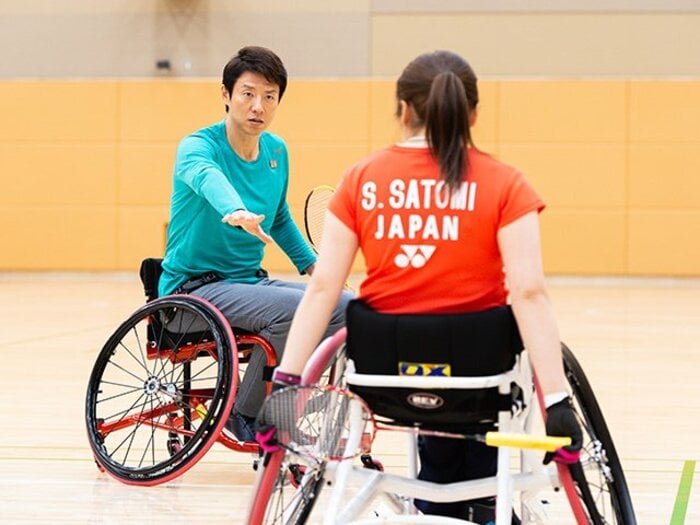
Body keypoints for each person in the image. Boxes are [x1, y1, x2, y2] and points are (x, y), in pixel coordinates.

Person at [269, 50, 582, 522]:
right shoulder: (505, 183)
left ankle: (442, 500)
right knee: (480, 373)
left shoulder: (361, 179)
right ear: (472, 113)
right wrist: (557, 400)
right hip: (479, 372)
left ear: (402, 111)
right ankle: (473, 501)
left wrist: (286, 383)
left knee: (426, 368)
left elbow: (322, 288)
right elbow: (529, 293)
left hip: (382, 374)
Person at [158, 46, 353, 443]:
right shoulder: (198, 146)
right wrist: (235, 209)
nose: (257, 106)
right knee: (296, 310)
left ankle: (289, 398)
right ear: (226, 95)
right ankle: (245, 412)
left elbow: (279, 217)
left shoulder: (276, 152)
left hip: (247, 283)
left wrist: (319, 271)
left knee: (348, 307)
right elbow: (206, 176)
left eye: (269, 96)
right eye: (247, 93)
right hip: (192, 291)